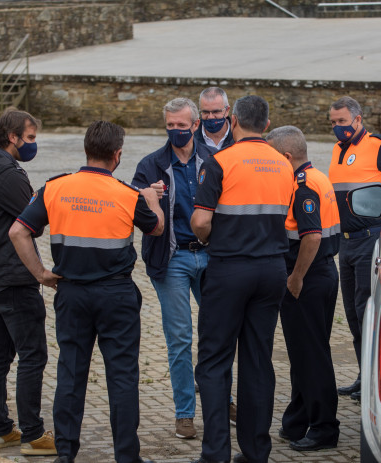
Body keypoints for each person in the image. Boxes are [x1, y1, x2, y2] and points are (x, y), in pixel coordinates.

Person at [9, 120, 164, 463]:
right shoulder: (128, 194)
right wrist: (152, 199)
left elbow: (18, 232)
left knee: (71, 373)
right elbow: (156, 228)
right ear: (117, 154)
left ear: (86, 150)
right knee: (122, 377)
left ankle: (66, 454)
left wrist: (40, 274)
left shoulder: (55, 188)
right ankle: (127, 456)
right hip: (116, 296)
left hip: (71, 294)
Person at [190, 95, 293, 463]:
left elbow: (201, 221)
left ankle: (216, 452)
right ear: (266, 125)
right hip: (272, 271)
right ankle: (255, 452)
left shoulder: (220, 162)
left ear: (233, 121)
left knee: (214, 361)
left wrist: (207, 238)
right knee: (257, 360)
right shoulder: (283, 164)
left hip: (230, 268)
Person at [0, 108, 56, 456]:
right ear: (12, 138)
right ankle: (33, 435)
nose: (33, 144)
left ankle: (1, 428)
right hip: (12, 278)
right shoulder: (8, 173)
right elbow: (35, 218)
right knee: (32, 355)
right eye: (30, 138)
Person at [131, 97, 213, 440]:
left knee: (217, 335)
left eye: (182, 125)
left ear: (196, 125)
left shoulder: (213, 160)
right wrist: (147, 198)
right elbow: (136, 212)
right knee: (179, 337)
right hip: (172, 258)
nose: (176, 131)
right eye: (170, 126)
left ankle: (218, 399)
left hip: (211, 256)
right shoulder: (151, 165)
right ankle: (185, 413)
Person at [328, 96, 381, 401]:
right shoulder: (339, 150)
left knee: (367, 309)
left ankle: (376, 378)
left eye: (342, 122)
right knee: (352, 312)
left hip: (370, 239)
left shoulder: (379, 147)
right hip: (346, 243)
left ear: (358, 119)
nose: (337, 128)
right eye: (333, 123)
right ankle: (364, 374)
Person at [267, 126, 341, 452]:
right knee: (305, 352)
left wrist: (295, 278)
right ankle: (296, 419)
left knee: (312, 356)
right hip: (323, 273)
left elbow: (311, 237)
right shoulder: (319, 177)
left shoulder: (302, 186)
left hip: (306, 279)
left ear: (286, 157)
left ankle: (325, 427)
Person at [194, 87, 234, 152]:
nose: (210, 117)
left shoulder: (239, 138)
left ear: (227, 110)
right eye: (205, 112)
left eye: (216, 112)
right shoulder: (191, 139)